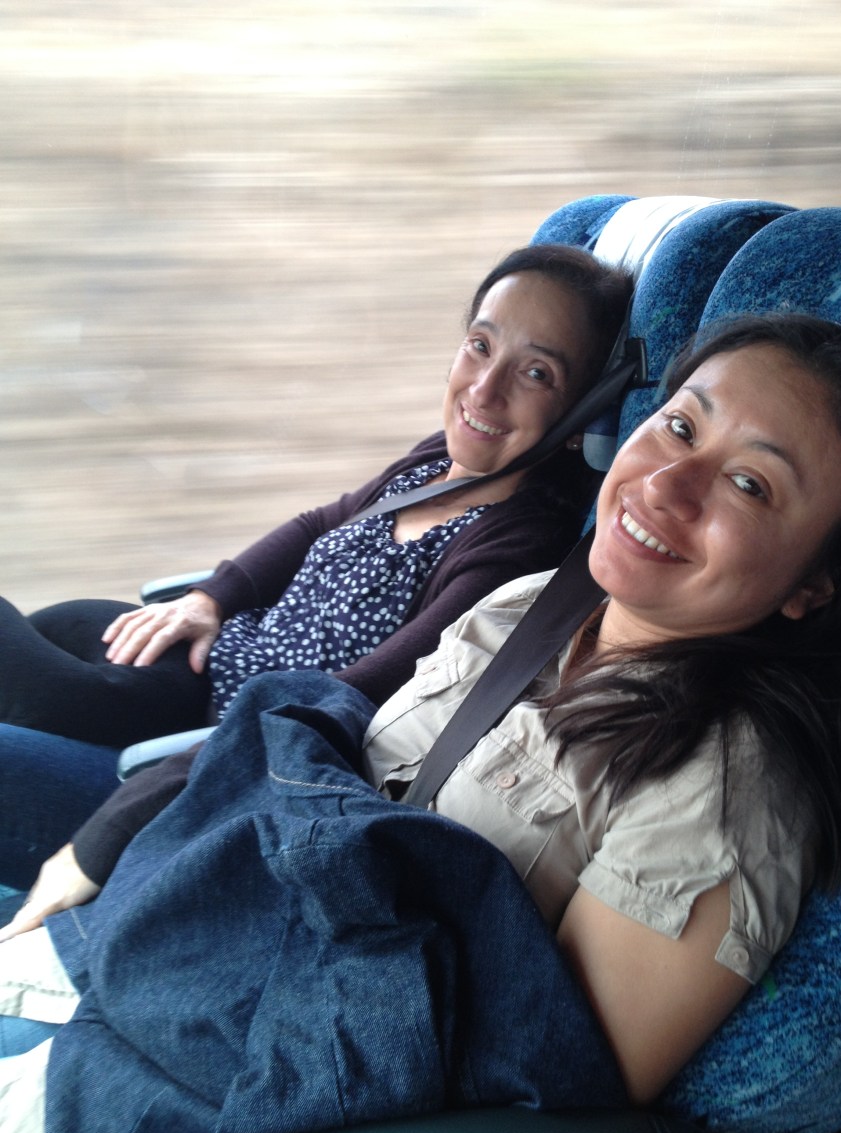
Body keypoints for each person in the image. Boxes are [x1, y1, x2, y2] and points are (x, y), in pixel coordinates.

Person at [2, 312, 841, 1133]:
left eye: (749, 485)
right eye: (680, 426)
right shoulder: (536, 605)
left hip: (219, 1120)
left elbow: (542, 1122)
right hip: (194, 964)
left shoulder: (720, 791)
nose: (667, 483)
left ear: (815, 582)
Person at [0, 245, 632, 887]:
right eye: (480, 346)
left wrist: (125, 822)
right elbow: (316, 525)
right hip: (219, 654)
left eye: (536, 374)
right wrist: (207, 601)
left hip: (216, 743)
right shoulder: (435, 463)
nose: (484, 389)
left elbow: (351, 698)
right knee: (51, 626)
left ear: (583, 413)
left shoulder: (514, 549)